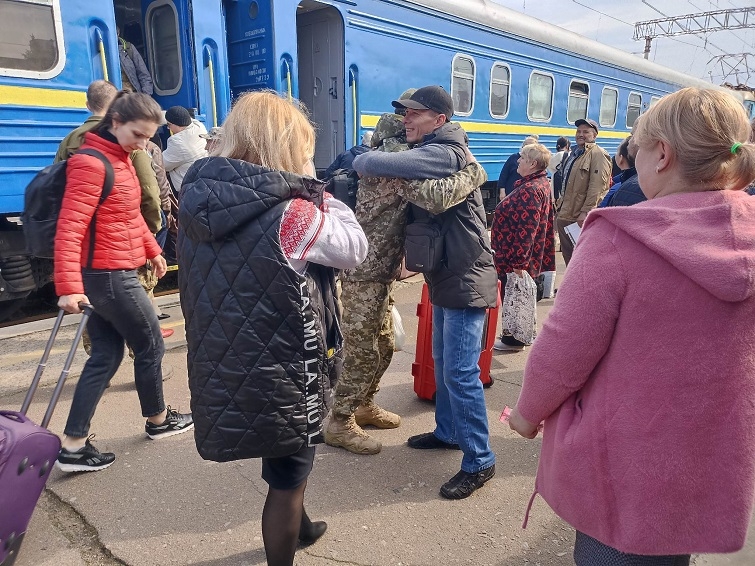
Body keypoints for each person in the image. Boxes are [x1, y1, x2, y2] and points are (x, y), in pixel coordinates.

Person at [508, 87, 755, 564]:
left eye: (638, 147)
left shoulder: (622, 236)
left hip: (625, 465)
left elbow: (565, 347)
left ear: (662, 154)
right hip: (708, 459)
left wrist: (526, 412)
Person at [177, 90, 368, 566]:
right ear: (285, 147)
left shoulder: (199, 200)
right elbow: (354, 249)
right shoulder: (293, 213)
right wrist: (327, 196)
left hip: (229, 354)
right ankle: (286, 550)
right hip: (283, 363)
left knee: (283, 452)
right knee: (289, 473)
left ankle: (303, 523)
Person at [353, 85, 498, 500]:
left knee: (460, 372)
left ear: (440, 119)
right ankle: (449, 431)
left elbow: (374, 160)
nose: (406, 119)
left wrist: (365, 158)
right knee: (442, 361)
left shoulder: (446, 151)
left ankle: (480, 460)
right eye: (403, 113)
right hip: (446, 274)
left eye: (415, 114)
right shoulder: (439, 145)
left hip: (465, 276)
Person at [325, 94, 488, 456]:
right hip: (363, 271)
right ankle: (339, 419)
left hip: (382, 269)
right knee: (362, 349)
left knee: (383, 344)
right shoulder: (393, 164)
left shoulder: (397, 157)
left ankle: (363, 403)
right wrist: (475, 171)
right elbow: (436, 195)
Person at [54, 92, 194, 473]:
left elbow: (128, 215)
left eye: (148, 137)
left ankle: (73, 445)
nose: (143, 143)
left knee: (105, 355)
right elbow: (70, 227)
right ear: (114, 121)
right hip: (109, 276)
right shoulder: (89, 163)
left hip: (113, 271)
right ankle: (158, 421)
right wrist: (68, 285)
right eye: (138, 134)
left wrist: (152, 250)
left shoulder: (122, 158)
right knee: (149, 342)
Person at [491, 142, 555, 352]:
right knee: (516, 297)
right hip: (518, 256)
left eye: (522, 158)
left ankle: (514, 340)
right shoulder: (539, 183)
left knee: (515, 296)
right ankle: (514, 336)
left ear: (533, 163)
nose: (517, 161)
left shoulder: (530, 190)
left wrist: (519, 263)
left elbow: (527, 229)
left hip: (515, 257)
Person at [554, 118, 611, 266]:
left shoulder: (598, 154)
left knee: (581, 262)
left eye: (586, 132)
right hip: (565, 214)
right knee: (569, 259)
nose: (581, 134)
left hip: (578, 217)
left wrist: (586, 211)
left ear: (594, 135)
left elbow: (597, 187)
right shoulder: (574, 153)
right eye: (578, 131)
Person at [162, 106, 208, 191]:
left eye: (168, 125)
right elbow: (182, 116)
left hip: (188, 189)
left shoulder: (178, 142)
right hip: (202, 181)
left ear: (176, 124)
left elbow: (161, 164)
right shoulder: (199, 126)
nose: (168, 128)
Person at [117, 28, 153, 96]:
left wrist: (145, 97)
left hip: (133, 96)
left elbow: (144, 75)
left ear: (118, 34)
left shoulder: (129, 48)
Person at [547, 136, 570, 201]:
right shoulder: (569, 155)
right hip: (566, 184)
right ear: (567, 145)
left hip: (555, 184)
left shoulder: (554, 156)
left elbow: (550, 168)